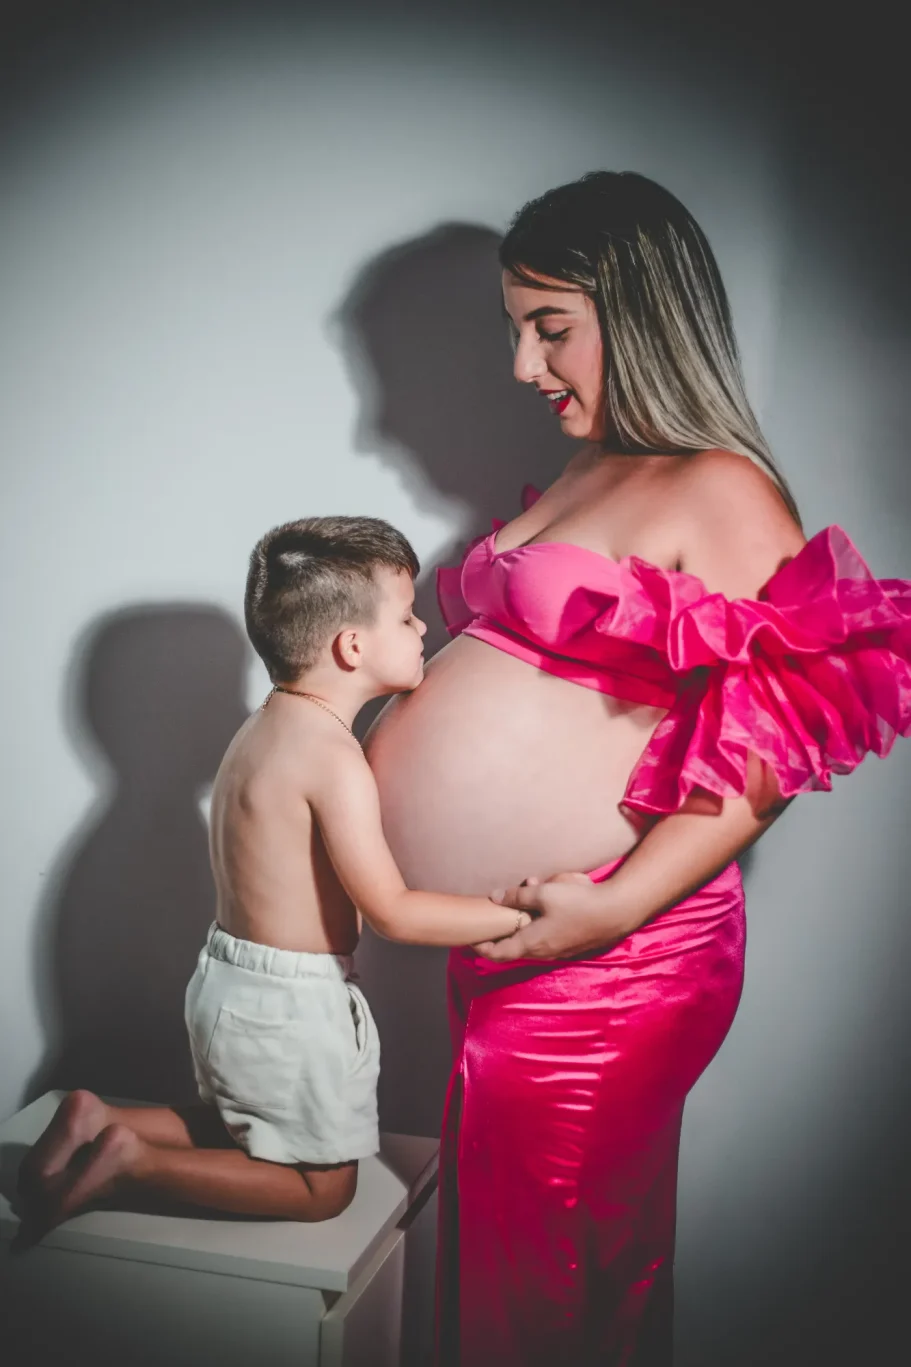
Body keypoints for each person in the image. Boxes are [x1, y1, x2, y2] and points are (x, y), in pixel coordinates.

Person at [362, 171, 911, 1366]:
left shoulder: (716, 487)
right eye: (515, 329)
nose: (523, 365)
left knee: (554, 1283)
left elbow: (770, 741)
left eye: (549, 326)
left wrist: (608, 904)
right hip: (533, 944)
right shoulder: (590, 467)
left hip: (616, 952)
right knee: (521, 1259)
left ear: (644, 308)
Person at [16, 516, 535, 1240]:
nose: (424, 628)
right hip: (290, 1004)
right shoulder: (330, 757)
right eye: (409, 614)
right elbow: (392, 910)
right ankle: (129, 1159)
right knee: (322, 1189)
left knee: (243, 1123)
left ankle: (98, 1115)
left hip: (229, 984)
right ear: (351, 646)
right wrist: (516, 916)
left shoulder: (261, 729)